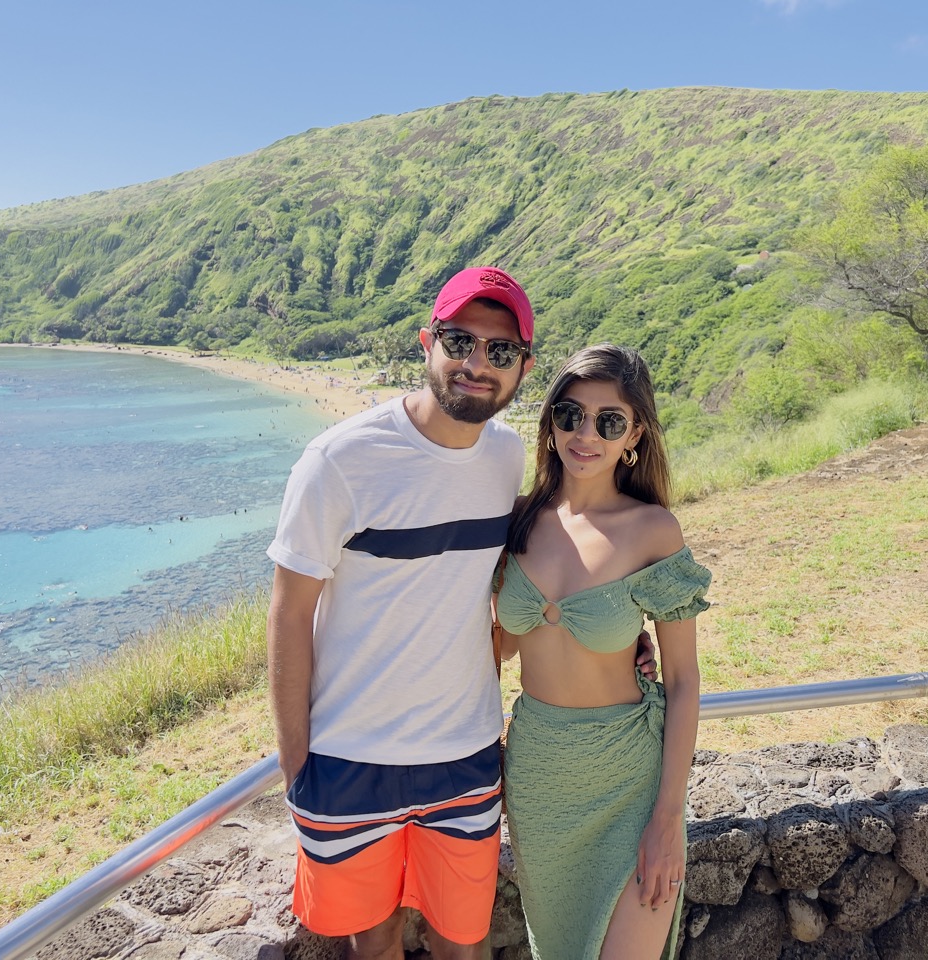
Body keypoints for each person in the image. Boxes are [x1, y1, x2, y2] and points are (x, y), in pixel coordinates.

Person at [265, 266, 537, 958]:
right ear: (426, 342)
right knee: (375, 939)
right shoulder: (338, 460)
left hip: (465, 756)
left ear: (523, 368)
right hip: (348, 757)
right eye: (459, 341)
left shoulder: (507, 459)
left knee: (461, 941)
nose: (477, 363)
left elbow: (518, 581)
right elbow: (289, 614)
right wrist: (297, 761)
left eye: (500, 351)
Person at [495, 344, 710, 960]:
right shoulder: (514, 524)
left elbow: (686, 681)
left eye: (609, 421)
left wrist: (669, 817)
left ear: (633, 434)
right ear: (551, 420)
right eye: (571, 415)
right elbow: (498, 645)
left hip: (629, 778)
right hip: (540, 777)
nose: (586, 434)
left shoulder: (651, 530)